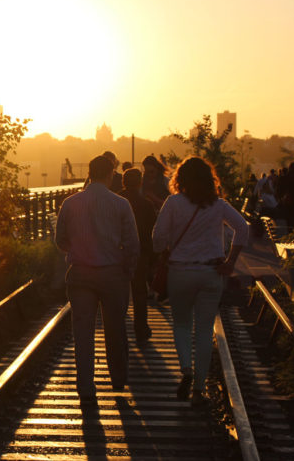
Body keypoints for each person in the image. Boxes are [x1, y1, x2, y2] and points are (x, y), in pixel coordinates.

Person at [152, 157, 249, 407]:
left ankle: (186, 368)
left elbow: (158, 237)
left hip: (180, 272)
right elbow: (243, 228)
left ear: (180, 178)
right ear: (209, 178)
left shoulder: (173, 203)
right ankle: (199, 388)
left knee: (182, 324)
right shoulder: (219, 205)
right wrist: (231, 262)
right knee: (205, 330)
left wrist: (162, 247)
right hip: (211, 272)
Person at [56, 155, 140, 408]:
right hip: (113, 273)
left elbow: (61, 240)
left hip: (80, 273)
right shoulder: (121, 204)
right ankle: (117, 379)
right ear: (111, 174)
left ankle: (86, 387)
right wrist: (129, 270)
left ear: (90, 173)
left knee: (83, 332)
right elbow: (133, 243)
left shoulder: (69, 204)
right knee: (115, 327)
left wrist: (78, 250)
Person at [120, 168, 156, 346]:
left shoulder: (115, 201)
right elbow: (151, 232)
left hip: (117, 253)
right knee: (139, 292)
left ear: (123, 182)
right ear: (140, 182)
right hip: (141, 253)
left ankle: (118, 330)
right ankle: (141, 329)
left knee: (118, 293)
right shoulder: (146, 204)